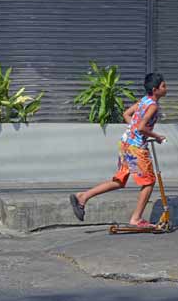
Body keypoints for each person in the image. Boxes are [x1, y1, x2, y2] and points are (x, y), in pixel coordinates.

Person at [69, 73, 167, 228]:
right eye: (163, 86)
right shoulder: (153, 105)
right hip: (136, 149)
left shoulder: (144, 101)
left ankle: (83, 196)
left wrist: (134, 129)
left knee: (120, 181)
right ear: (155, 89)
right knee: (149, 182)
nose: (166, 88)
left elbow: (126, 114)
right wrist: (157, 137)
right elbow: (141, 127)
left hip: (125, 144)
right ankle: (136, 218)